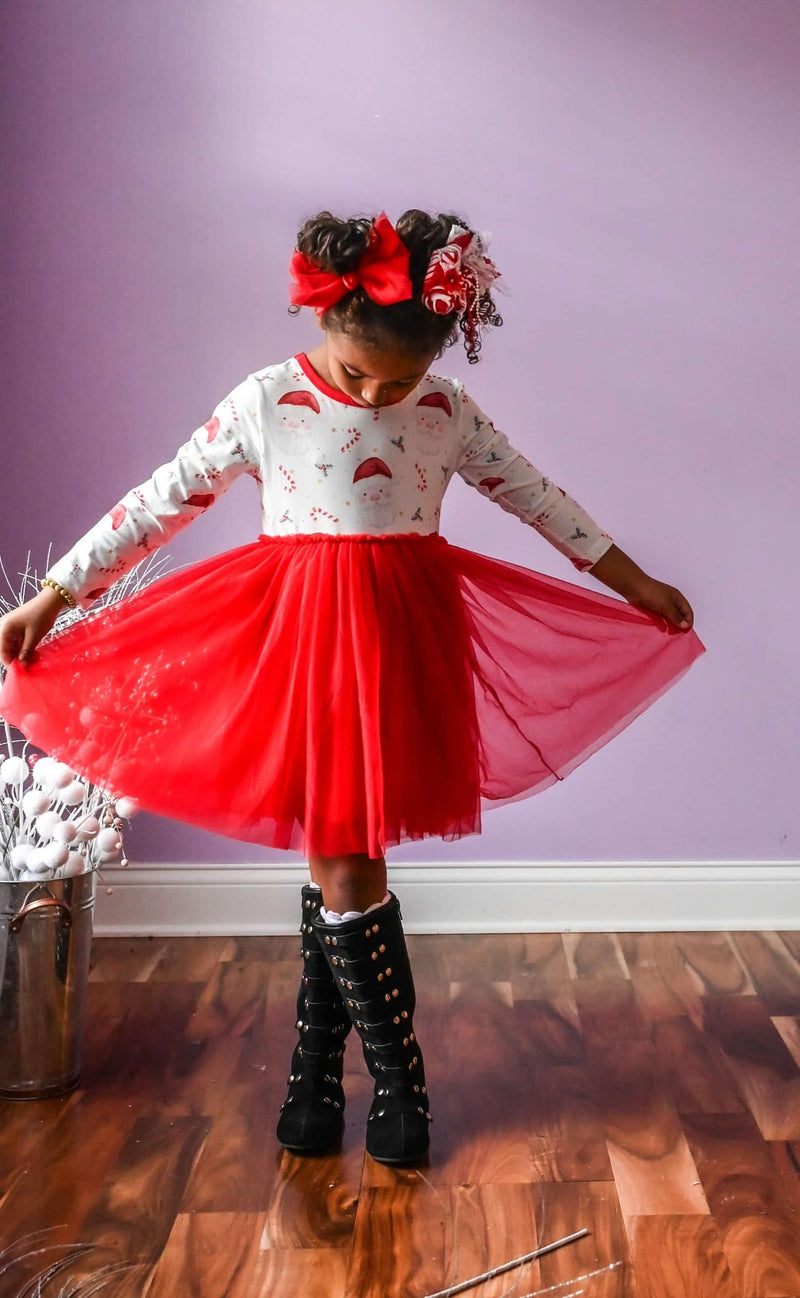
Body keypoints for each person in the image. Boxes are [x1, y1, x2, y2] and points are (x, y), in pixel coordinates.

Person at [0, 208, 705, 1166]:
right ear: (325, 321)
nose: (376, 392)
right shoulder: (265, 400)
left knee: (344, 852)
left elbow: (539, 499)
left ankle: (314, 1074)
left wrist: (633, 582)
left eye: (399, 379)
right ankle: (400, 1077)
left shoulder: (445, 411)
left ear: (437, 361)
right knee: (346, 855)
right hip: (298, 650)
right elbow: (161, 501)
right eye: (360, 369)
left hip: (407, 645)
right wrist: (56, 592)